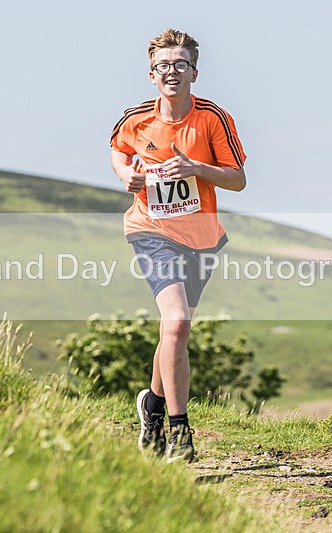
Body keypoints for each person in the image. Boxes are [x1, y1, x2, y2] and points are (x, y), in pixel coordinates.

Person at [110, 28, 247, 463]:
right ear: (152, 75)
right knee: (177, 323)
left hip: (202, 238)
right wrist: (124, 176)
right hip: (150, 230)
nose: (172, 71)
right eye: (164, 65)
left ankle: (150, 405)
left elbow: (238, 180)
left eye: (180, 64)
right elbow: (117, 149)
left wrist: (196, 167)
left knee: (175, 333)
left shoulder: (212, 119)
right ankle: (179, 432)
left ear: (194, 72)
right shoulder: (136, 119)